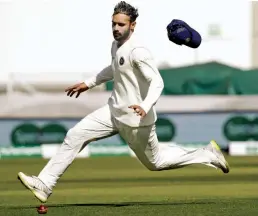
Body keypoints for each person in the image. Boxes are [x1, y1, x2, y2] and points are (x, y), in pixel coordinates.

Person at [17, 1, 229, 203]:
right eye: (113, 24)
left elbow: (157, 82)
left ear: (133, 25)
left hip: (136, 119)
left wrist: (145, 106)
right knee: (75, 135)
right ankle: (45, 183)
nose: (116, 28)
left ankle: (206, 154)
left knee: (156, 163)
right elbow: (115, 68)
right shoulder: (116, 45)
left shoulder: (138, 52)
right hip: (112, 111)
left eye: (121, 24)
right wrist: (88, 83)